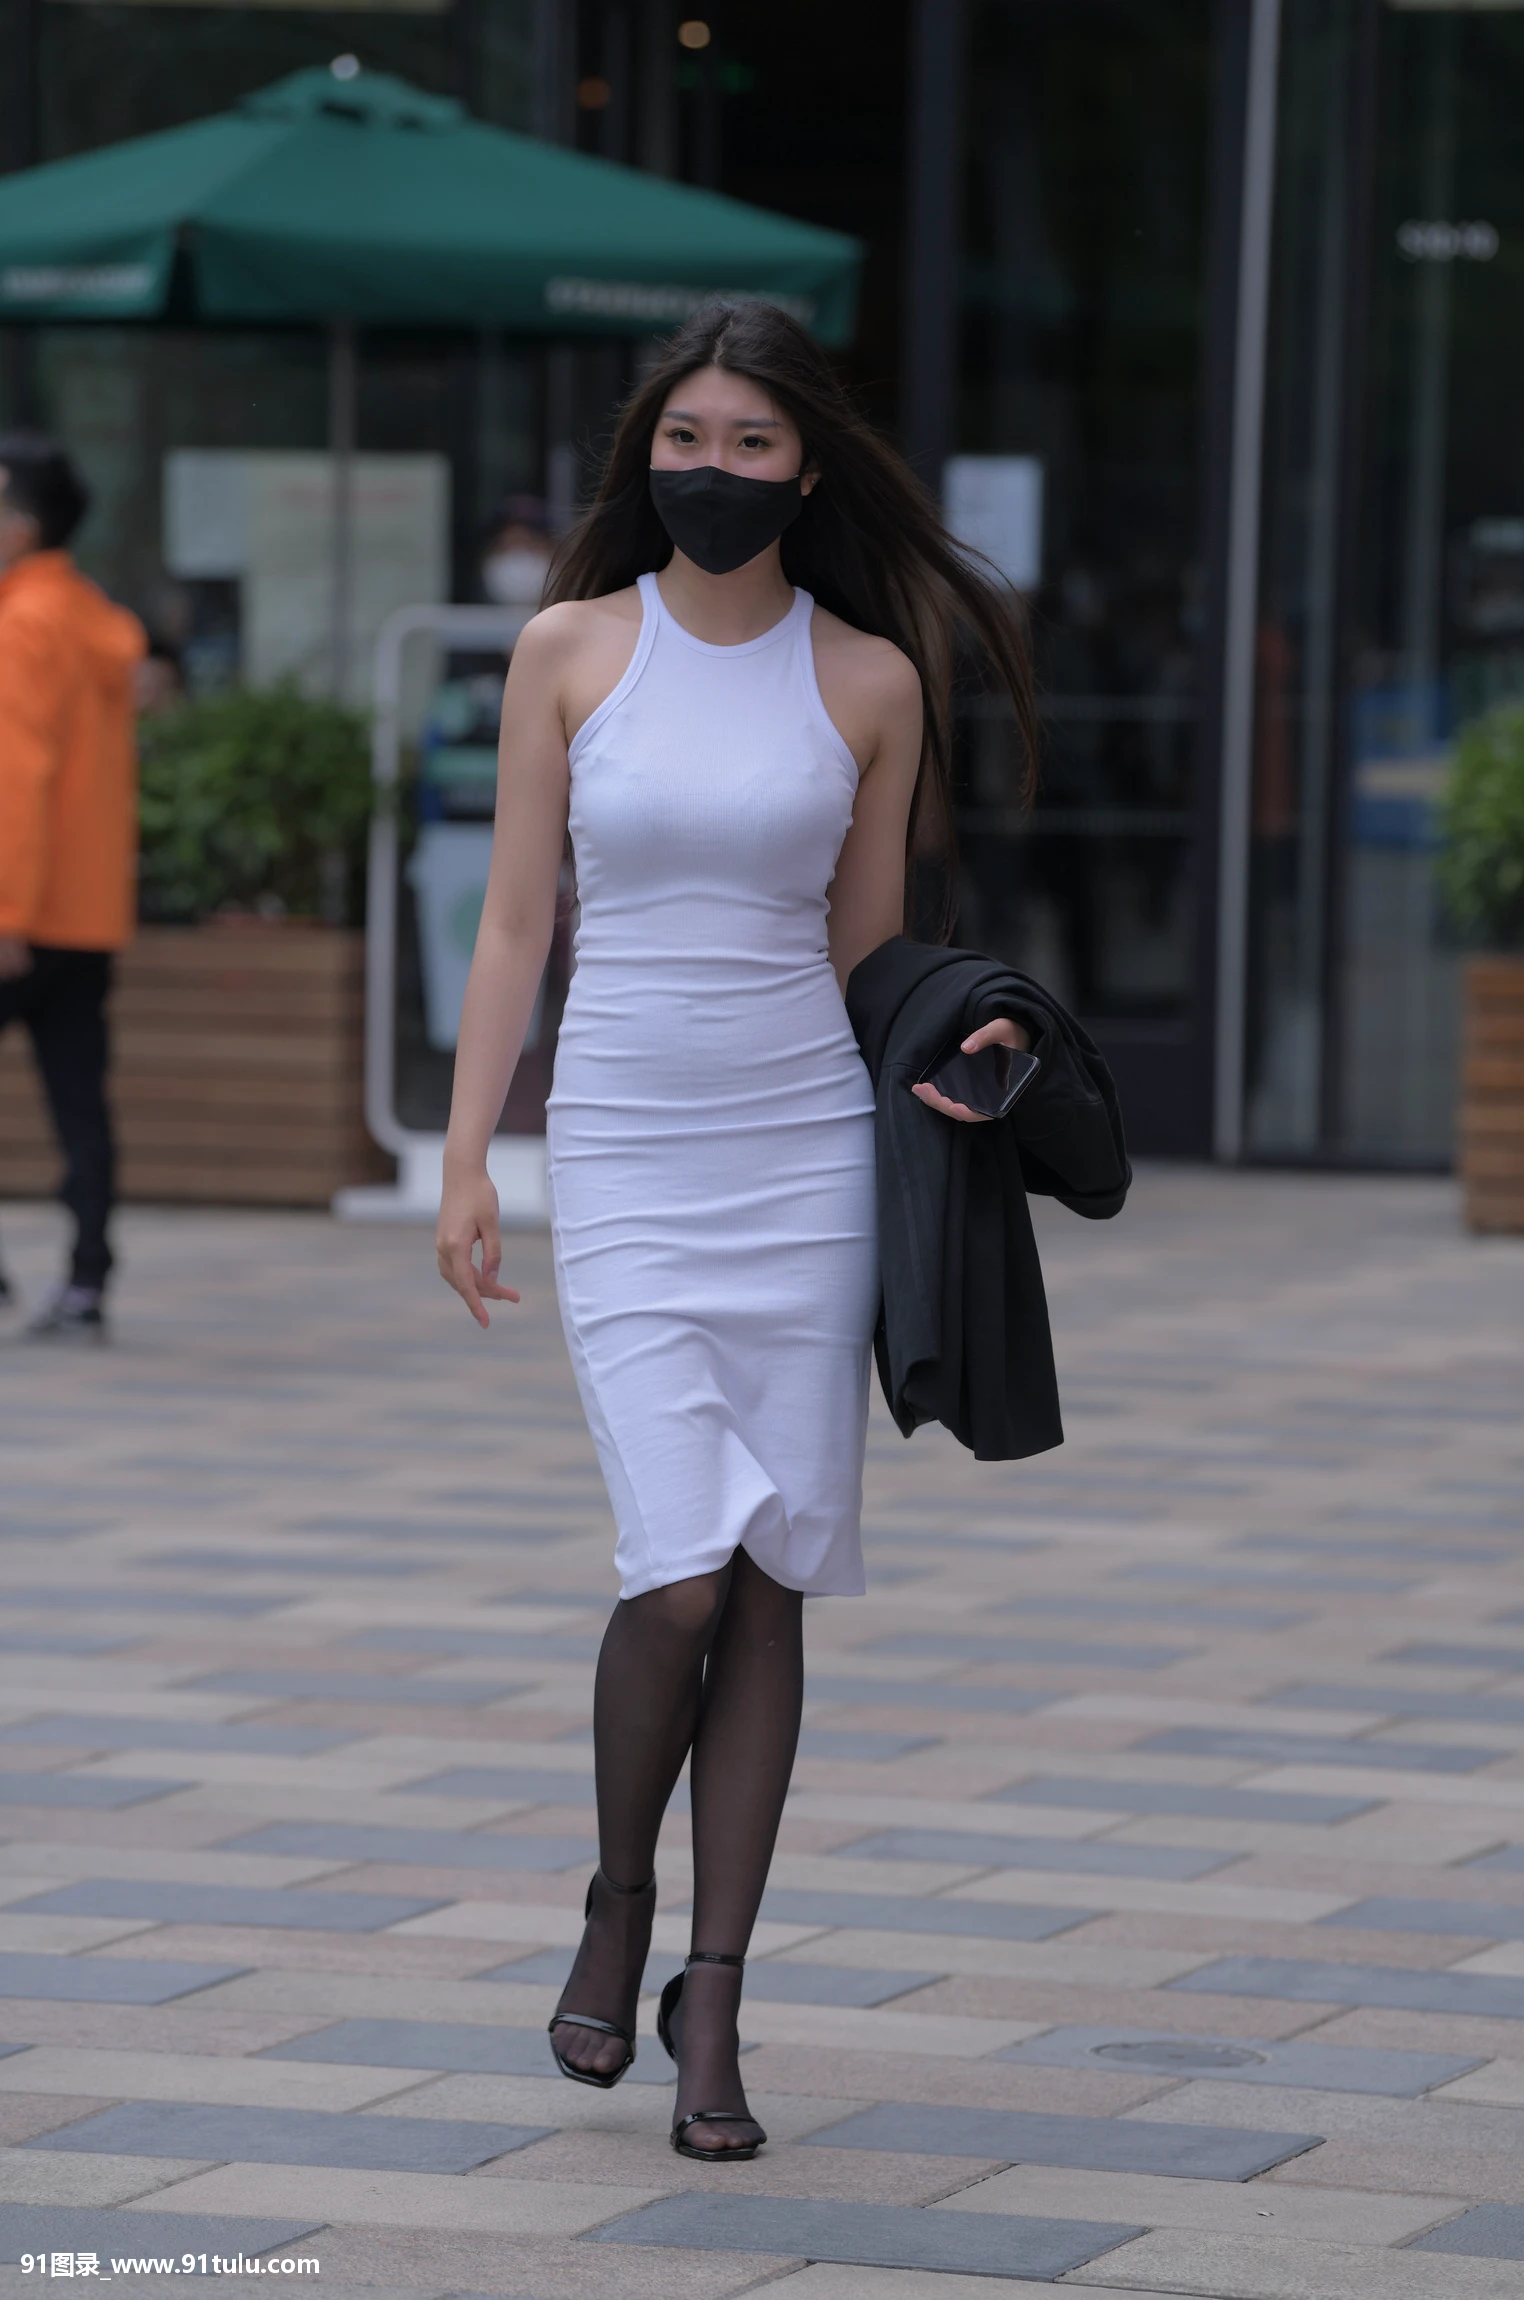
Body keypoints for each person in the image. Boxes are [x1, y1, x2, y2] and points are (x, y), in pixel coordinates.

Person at [434, 301, 1036, 2161]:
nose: (712, 469)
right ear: (647, 457)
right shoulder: (568, 649)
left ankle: (712, 2003)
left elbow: (866, 950)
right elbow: (516, 924)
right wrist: (468, 1158)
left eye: (750, 443)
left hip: (805, 1159)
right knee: (679, 1568)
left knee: (768, 1572)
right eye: (684, 439)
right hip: (624, 1149)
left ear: (807, 469)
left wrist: (961, 1041)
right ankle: (619, 1899)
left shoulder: (869, 679)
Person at [0, 434, 145, 1341]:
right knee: (79, 1100)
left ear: (22, 525)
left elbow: (17, 776)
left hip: (19, 912)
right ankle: (88, 1282)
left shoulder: (22, 623)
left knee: (78, 1098)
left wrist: (7, 910)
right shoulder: (92, 616)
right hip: (86, 914)